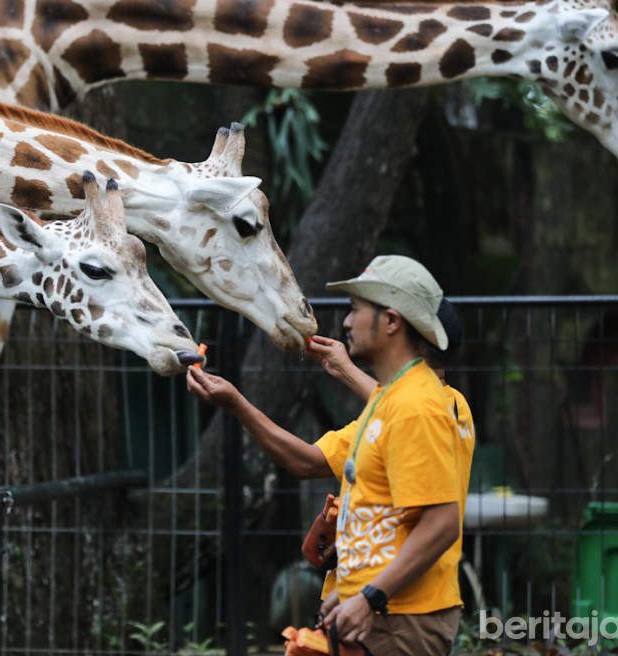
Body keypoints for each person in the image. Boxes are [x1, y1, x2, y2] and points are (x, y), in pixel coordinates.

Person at [186, 255, 475, 656]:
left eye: (357, 310)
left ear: (393, 322)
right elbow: (316, 458)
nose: (346, 322)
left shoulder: (418, 408)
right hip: (377, 610)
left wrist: (370, 595)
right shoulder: (403, 402)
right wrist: (353, 589)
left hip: (398, 614)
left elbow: (441, 523)